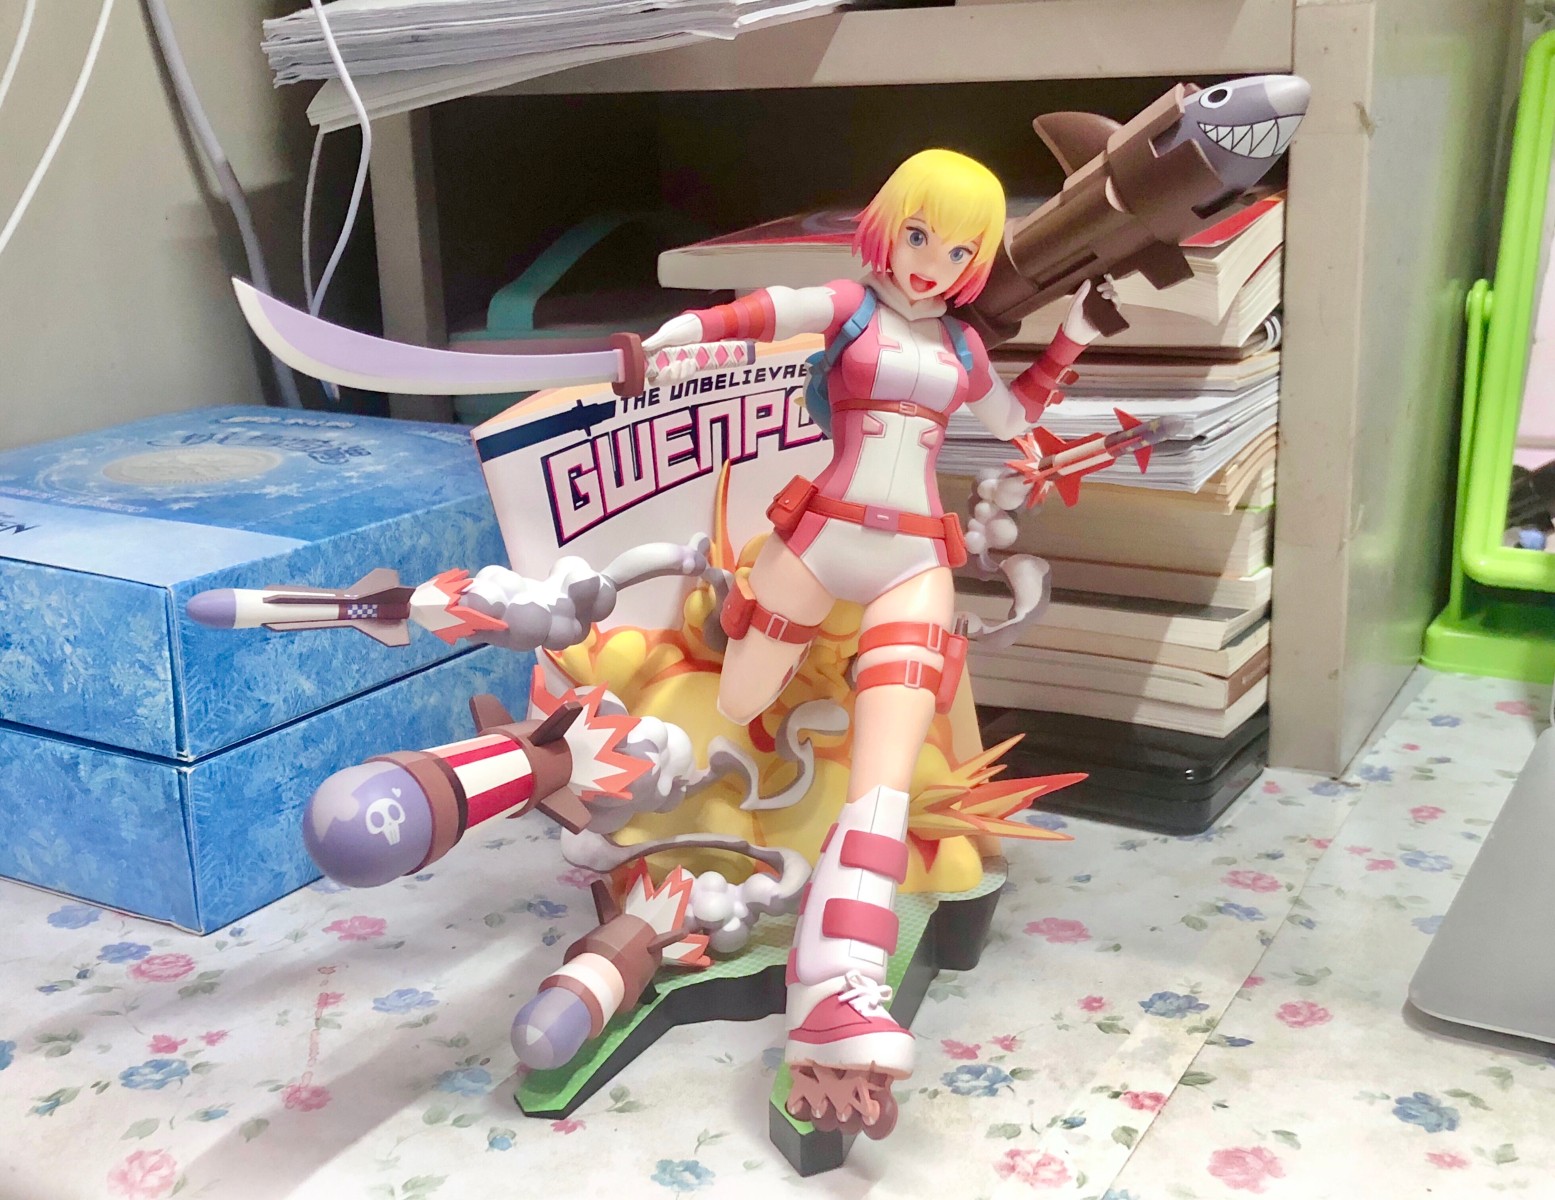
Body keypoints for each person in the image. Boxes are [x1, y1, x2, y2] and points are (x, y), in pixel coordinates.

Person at [643, 148, 1112, 1136]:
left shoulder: (963, 350)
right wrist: (673, 339)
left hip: (912, 560)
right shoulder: (850, 308)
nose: (932, 264)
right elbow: (759, 314)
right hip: (818, 539)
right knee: (739, 700)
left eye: (958, 250)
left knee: (886, 781)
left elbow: (1015, 415)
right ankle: (718, 704)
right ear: (886, 228)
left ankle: (838, 984)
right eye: (918, 236)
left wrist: (1071, 333)